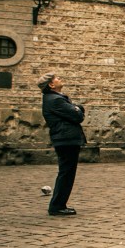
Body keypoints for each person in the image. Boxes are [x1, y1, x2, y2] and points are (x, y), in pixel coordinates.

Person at [37, 73, 87, 216]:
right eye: (56, 78)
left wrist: (76, 108)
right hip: (66, 139)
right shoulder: (56, 100)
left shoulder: (55, 98)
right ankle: (57, 206)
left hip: (65, 138)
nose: (60, 79)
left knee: (66, 172)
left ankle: (58, 204)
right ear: (51, 85)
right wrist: (77, 108)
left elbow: (76, 111)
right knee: (66, 173)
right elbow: (78, 115)